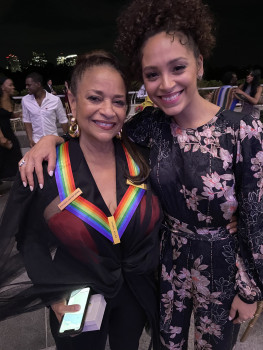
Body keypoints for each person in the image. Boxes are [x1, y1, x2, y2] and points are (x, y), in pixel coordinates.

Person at [18, 1, 260, 349]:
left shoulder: (245, 128)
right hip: (165, 266)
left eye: (178, 67)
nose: (165, 83)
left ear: (200, 64)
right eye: (151, 74)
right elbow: (100, 129)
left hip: (220, 266)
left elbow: (257, 218)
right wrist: (52, 140)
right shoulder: (150, 127)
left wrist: (250, 289)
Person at [0, 51, 163, 350]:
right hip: (75, 294)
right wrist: (53, 297)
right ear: (72, 101)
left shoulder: (141, 158)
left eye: (117, 101)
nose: (108, 111)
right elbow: (30, 240)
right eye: (95, 98)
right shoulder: (48, 168)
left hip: (135, 292)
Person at [22, 72, 68, 147]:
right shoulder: (25, 100)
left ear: (38, 84)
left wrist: (67, 140)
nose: (26, 87)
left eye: (29, 85)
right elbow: (27, 121)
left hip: (53, 142)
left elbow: (63, 120)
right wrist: (31, 140)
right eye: (26, 85)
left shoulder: (55, 100)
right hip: (36, 142)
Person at [0, 76, 22, 180]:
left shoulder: (11, 100)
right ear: (3, 87)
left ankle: (18, 179)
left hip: (8, 131)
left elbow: (8, 115)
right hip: (1, 132)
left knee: (16, 152)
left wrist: (18, 114)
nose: (13, 87)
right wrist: (1, 138)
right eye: (10, 85)